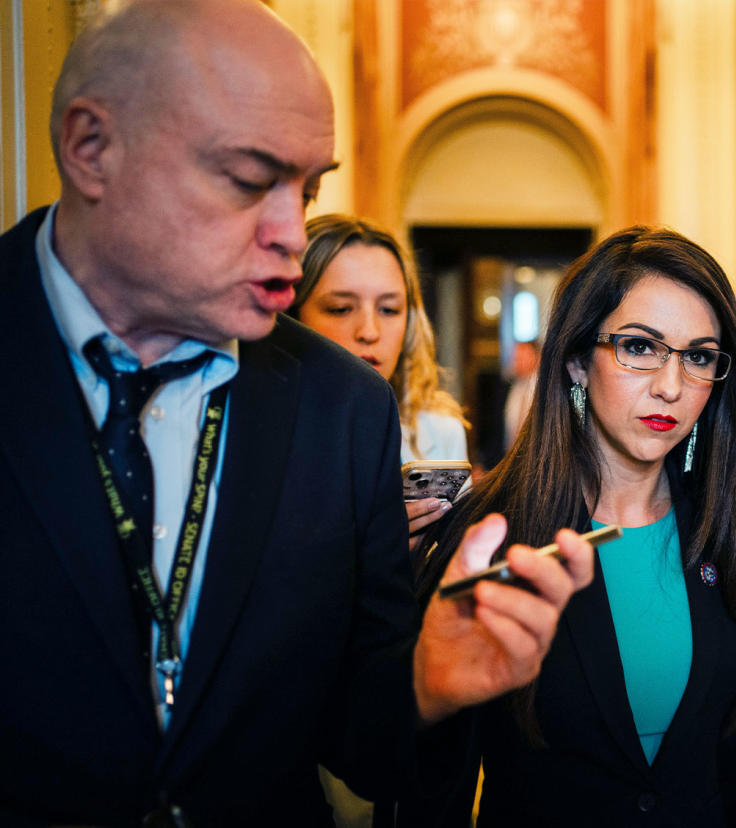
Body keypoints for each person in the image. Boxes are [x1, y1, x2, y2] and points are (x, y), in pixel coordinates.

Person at [0, 1, 591, 824]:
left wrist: (425, 683)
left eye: (307, 190)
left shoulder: (342, 407)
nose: (290, 230)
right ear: (91, 148)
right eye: (249, 182)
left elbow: (358, 721)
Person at [409, 226, 736, 826]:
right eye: (640, 347)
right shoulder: (491, 532)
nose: (671, 385)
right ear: (578, 360)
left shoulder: (735, 528)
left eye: (698, 356)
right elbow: (431, 779)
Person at [291, 214, 469, 539]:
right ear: (291, 314)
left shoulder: (440, 430)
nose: (370, 332)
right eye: (341, 309)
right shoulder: (254, 425)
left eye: (389, 309)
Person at [503, 339, 539, 450]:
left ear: (536, 357)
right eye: (515, 358)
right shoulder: (513, 388)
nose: (517, 362)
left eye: (521, 357)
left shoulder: (542, 389)